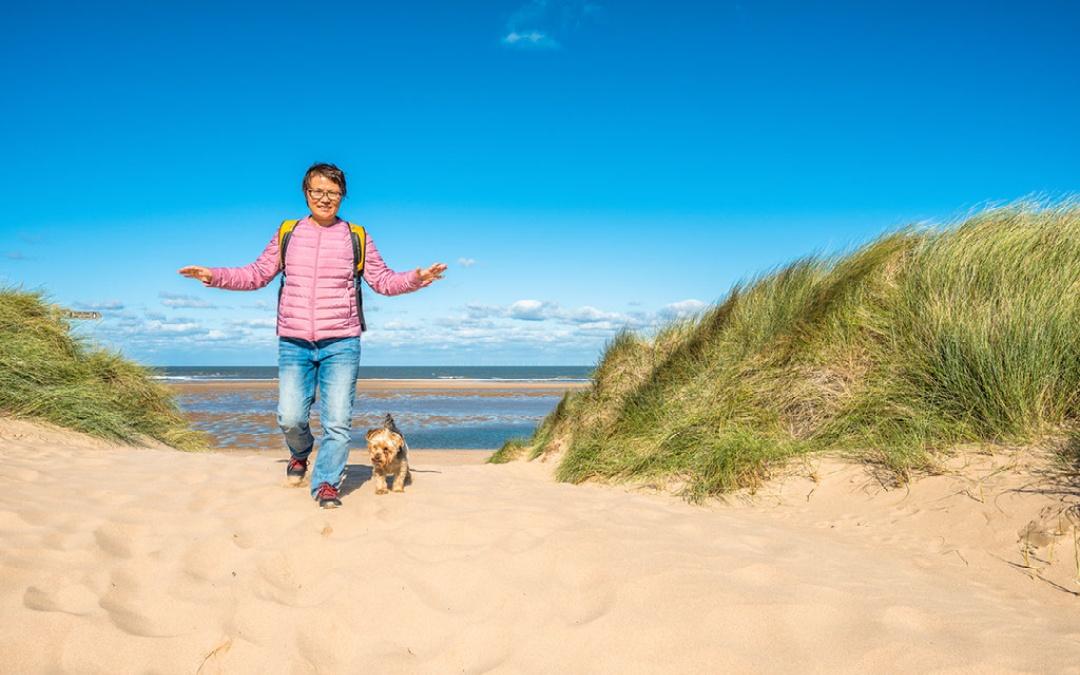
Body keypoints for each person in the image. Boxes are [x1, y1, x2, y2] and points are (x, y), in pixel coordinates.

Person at [179, 163, 446, 508]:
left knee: (336, 423)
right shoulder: (288, 232)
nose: (325, 198)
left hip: (342, 342)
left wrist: (418, 277)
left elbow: (383, 281)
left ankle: (325, 485)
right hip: (294, 341)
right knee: (290, 418)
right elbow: (257, 274)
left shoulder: (357, 236)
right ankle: (300, 453)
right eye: (317, 191)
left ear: (342, 196)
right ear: (306, 194)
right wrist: (214, 275)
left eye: (333, 193)